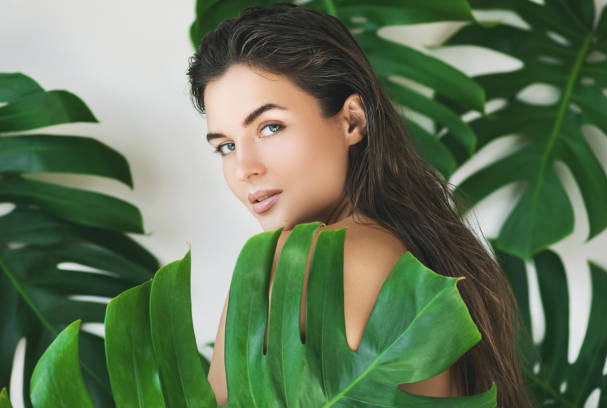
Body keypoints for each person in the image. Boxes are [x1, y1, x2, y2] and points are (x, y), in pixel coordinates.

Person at [187, 3, 530, 407]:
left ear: (352, 121)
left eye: (270, 127)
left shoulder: (292, 264)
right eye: (226, 146)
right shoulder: (430, 254)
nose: (245, 168)